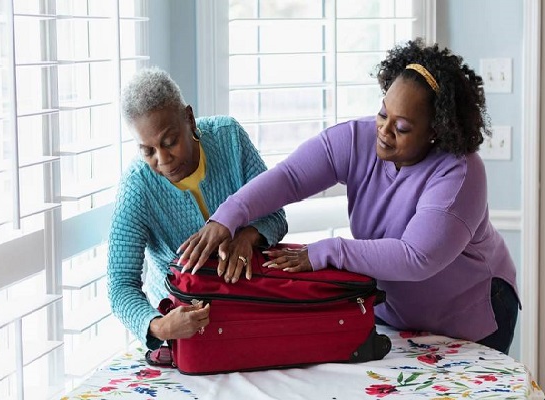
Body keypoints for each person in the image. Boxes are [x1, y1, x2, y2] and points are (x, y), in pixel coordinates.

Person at [176, 39, 520, 355]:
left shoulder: (460, 173)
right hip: (396, 312)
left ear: (436, 131)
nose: (384, 131)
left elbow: (417, 256)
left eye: (402, 128)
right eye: (383, 113)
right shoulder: (356, 140)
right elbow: (290, 177)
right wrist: (227, 216)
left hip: (470, 314)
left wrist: (326, 252)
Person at [107, 67, 288, 357]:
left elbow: (276, 215)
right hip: (184, 330)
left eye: (170, 142)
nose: (163, 160)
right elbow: (120, 286)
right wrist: (160, 326)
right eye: (148, 151)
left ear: (189, 119)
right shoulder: (137, 187)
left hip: (251, 306)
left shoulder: (230, 138)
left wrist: (247, 237)